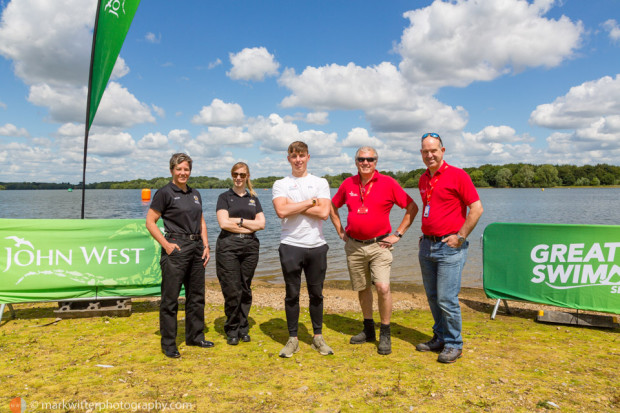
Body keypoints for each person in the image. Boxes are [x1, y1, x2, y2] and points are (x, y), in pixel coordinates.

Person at [330, 147, 418, 355]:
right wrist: (340, 231)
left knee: (382, 287)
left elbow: (412, 207)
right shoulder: (348, 184)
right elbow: (332, 207)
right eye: (361, 159)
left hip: (380, 245)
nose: (366, 162)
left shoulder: (388, 183)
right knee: (362, 288)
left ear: (376, 162)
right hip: (354, 246)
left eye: (370, 159)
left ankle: (385, 332)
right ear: (356, 162)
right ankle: (368, 329)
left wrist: (398, 233)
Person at [416, 133, 483, 364]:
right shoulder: (424, 178)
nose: (429, 155)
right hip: (427, 245)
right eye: (425, 151)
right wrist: (425, 235)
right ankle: (440, 337)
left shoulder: (458, 175)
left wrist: (461, 237)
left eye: (433, 150)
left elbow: (476, 209)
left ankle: (455, 344)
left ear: (443, 151)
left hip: (449, 247)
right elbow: (431, 209)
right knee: (433, 297)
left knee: (447, 298)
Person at [145, 153, 214, 359]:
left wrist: (206, 245)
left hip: (196, 247)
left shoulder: (195, 193)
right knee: (170, 298)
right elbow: (150, 221)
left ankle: (195, 336)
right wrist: (166, 245)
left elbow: (201, 221)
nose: (183, 173)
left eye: (186, 169)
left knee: (196, 296)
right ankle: (168, 343)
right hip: (176, 247)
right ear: (172, 170)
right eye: (179, 169)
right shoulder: (165, 193)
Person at [272, 141, 334, 358]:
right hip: (290, 245)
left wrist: (295, 205)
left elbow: (325, 212)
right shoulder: (281, 184)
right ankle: (293, 339)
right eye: (294, 156)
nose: (298, 160)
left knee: (316, 294)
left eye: (302, 155)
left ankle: (317, 337)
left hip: (316, 245)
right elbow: (281, 211)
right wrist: (311, 202)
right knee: (292, 294)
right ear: (288, 158)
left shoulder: (320, 182)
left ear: (308, 157)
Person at [215, 162, 265, 346]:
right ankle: (232, 328)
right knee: (232, 289)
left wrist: (239, 222)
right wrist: (247, 225)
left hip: (250, 248)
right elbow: (223, 223)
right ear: (232, 175)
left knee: (245, 287)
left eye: (242, 175)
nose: (238, 177)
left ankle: (244, 326)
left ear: (247, 176)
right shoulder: (224, 197)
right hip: (228, 247)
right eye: (235, 174)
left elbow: (261, 224)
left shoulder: (254, 198)